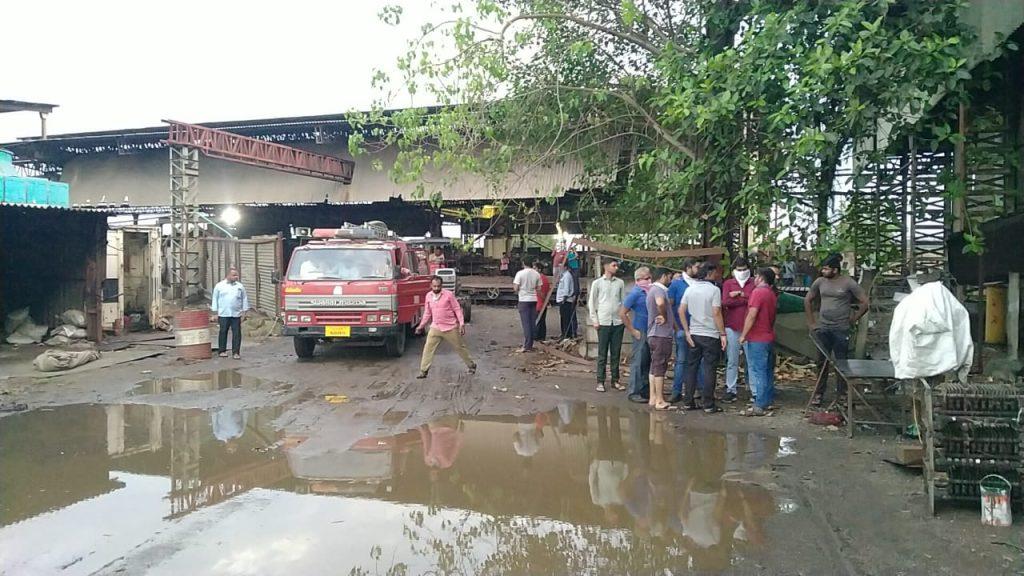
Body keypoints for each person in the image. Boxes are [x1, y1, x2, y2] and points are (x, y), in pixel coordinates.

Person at [804, 253, 870, 406]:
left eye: (827, 269)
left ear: (835, 270)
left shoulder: (848, 283)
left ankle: (842, 394)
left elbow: (865, 302)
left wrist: (854, 319)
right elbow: (808, 299)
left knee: (842, 363)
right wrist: (811, 322)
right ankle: (819, 394)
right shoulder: (820, 282)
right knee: (822, 362)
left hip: (841, 329)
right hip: (823, 328)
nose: (823, 271)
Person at [679, 261, 727, 413]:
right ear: (708, 274)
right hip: (710, 334)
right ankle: (708, 403)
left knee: (691, 367)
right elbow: (716, 313)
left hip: (694, 333)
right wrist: (723, 333)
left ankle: (688, 401)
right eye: (714, 272)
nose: (716, 275)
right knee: (709, 368)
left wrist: (686, 331)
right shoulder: (714, 290)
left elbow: (681, 310)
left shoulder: (690, 289)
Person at [415, 276, 476, 378]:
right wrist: (420, 326)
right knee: (427, 348)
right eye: (434, 286)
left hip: (450, 327)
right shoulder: (428, 296)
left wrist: (461, 324)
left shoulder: (448, 295)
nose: (436, 288)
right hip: (435, 327)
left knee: (460, 347)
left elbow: (457, 309)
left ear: (441, 286)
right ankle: (423, 371)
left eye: (438, 286)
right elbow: (427, 313)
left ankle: (471, 365)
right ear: (431, 286)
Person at [739, 268, 778, 416]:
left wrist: (743, 334)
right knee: (767, 371)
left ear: (761, 278)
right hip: (768, 336)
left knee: (758, 370)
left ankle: (759, 403)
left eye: (756, 276)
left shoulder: (757, 292)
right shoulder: (771, 294)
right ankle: (766, 400)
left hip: (757, 337)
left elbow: (752, 315)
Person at [588, 258, 626, 392]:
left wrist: (624, 319)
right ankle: (600, 381)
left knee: (616, 353)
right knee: (602, 353)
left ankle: (615, 380)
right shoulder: (597, 283)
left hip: (617, 322)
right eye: (613, 265)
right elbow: (592, 302)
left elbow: (623, 302)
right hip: (603, 321)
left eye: (616, 265)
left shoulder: (620, 283)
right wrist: (595, 320)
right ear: (606, 266)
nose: (616, 268)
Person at [720, 257, 754, 403]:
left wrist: (739, 295)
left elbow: (754, 300)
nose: (741, 272)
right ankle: (730, 389)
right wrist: (744, 299)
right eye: (739, 270)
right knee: (732, 360)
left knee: (751, 361)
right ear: (734, 270)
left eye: (744, 269)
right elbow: (725, 301)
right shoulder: (728, 283)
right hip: (731, 327)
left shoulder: (753, 283)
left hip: (750, 328)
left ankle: (754, 390)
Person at [668, 258, 702, 401]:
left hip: (698, 328)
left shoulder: (701, 283)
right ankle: (676, 391)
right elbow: (670, 306)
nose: (699, 269)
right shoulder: (676, 284)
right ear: (688, 267)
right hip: (682, 328)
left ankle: (697, 390)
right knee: (682, 360)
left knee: (698, 361)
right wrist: (675, 326)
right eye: (696, 266)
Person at [645, 268, 677, 411]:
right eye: (669, 277)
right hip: (661, 335)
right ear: (663, 276)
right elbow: (660, 303)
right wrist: (663, 315)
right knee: (660, 366)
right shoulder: (659, 290)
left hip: (653, 334)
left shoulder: (651, 289)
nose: (670, 280)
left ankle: (653, 397)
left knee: (654, 366)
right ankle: (659, 399)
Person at [620, 266, 653, 403]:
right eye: (646, 278)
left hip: (651, 330)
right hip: (641, 330)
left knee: (647, 362)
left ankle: (645, 390)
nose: (649, 280)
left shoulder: (650, 291)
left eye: (649, 278)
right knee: (638, 362)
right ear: (638, 280)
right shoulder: (635, 293)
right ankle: (634, 392)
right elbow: (622, 313)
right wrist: (633, 330)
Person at [211, 268, 250, 359]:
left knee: (237, 333)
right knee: (223, 331)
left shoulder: (240, 286)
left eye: (237, 275)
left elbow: (244, 298)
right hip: (223, 313)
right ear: (228, 275)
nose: (236, 277)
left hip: (236, 314)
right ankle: (222, 351)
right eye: (234, 275)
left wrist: (244, 311)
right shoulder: (219, 286)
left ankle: (236, 352)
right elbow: (215, 299)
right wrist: (215, 312)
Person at [513, 256, 542, 352]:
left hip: (523, 300)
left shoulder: (520, 274)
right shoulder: (537, 274)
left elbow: (516, 288)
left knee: (526, 323)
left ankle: (526, 346)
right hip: (533, 299)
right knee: (532, 322)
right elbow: (539, 289)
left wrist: (519, 289)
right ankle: (530, 344)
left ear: (523, 263)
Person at [556, 265, 579, 339]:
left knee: (566, 319)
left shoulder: (567, 276)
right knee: (563, 318)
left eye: (561, 266)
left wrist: (564, 299)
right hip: (563, 300)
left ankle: (566, 335)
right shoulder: (564, 275)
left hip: (566, 300)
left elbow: (566, 289)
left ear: (565, 267)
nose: (560, 268)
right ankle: (564, 334)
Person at [533, 260, 551, 341]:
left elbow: (542, 293)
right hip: (541, 303)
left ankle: (538, 337)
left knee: (538, 321)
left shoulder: (541, 279)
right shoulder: (544, 278)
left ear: (539, 269)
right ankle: (541, 337)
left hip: (539, 303)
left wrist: (545, 300)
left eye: (535, 268)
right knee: (542, 321)